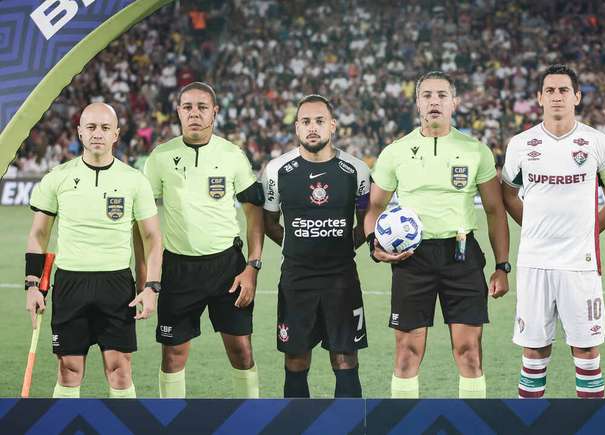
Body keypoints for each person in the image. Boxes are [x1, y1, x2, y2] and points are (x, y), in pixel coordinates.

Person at [365, 71, 510, 399]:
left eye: (442, 95)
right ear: (417, 103)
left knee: (469, 352)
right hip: (411, 257)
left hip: (461, 254)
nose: (434, 101)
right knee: (406, 355)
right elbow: (374, 207)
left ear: (454, 102)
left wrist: (502, 265)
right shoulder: (395, 152)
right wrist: (376, 245)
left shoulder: (476, 151)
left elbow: (494, 210)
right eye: (427, 95)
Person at [501, 64, 605, 399]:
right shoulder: (521, 144)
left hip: (579, 265)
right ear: (539, 98)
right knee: (534, 352)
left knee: (586, 353)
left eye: (564, 90)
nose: (557, 96)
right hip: (534, 262)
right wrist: (534, 227)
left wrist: (590, 230)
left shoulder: (598, 143)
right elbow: (508, 194)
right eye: (550, 91)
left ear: (577, 97)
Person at [25, 102, 162, 398]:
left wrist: (151, 287)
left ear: (116, 134)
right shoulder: (57, 177)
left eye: (104, 128)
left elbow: (152, 239)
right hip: (70, 283)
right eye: (90, 127)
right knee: (68, 369)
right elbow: (38, 235)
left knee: (120, 369)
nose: (97, 133)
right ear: (79, 133)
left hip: (116, 284)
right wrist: (33, 285)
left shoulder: (134, 180)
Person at [141, 82, 265, 398]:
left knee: (240, 349)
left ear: (215, 112)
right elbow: (142, 221)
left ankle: (250, 419)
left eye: (202, 107)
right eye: (187, 107)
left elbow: (254, 213)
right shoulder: (160, 157)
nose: (194, 113)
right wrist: (146, 276)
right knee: (172, 355)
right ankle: (169, 422)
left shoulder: (232, 155)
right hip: (178, 269)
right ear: (178, 111)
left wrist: (252, 266)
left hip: (227, 267)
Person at [262, 95, 370, 398]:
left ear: (332, 125)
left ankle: (348, 427)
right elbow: (268, 222)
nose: (313, 127)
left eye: (320, 121)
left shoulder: (357, 170)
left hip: (342, 279)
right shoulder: (277, 170)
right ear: (297, 127)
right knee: (296, 358)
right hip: (297, 279)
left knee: (345, 358)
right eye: (306, 121)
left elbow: (365, 221)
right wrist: (295, 243)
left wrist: (342, 246)